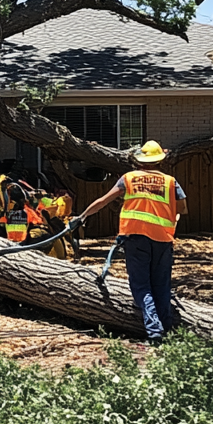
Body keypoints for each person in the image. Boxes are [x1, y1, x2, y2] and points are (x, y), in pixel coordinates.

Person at [76, 141, 187, 340]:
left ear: (139, 160)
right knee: (161, 285)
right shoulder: (171, 182)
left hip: (135, 238)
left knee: (141, 285)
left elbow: (103, 201)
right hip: (163, 239)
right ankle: (168, 329)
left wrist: (82, 216)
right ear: (160, 160)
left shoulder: (128, 179)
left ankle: (154, 331)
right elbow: (182, 209)